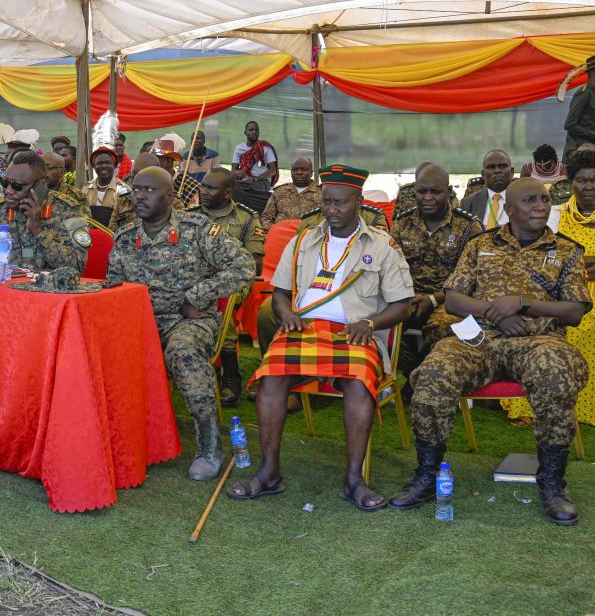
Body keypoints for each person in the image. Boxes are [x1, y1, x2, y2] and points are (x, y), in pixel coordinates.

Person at [392, 178, 591, 525]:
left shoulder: (566, 250)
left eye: (544, 199)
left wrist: (524, 304)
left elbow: (575, 310)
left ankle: (552, 483)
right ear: (509, 209)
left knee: (558, 371)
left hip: (537, 343)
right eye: (530, 200)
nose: (541, 206)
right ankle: (426, 477)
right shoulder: (480, 245)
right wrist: (494, 311)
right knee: (435, 372)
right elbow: (453, 299)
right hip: (479, 341)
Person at [230, 165, 412, 508]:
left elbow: (403, 304)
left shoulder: (383, 245)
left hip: (355, 332)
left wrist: (371, 324)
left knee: (359, 379)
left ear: (359, 201)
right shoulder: (303, 240)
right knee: (271, 375)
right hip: (305, 329)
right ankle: (269, 473)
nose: (332, 210)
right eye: (327, 202)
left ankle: (354, 480)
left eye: (340, 203)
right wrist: (287, 316)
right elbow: (280, 292)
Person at [107, 167, 255, 480]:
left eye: (150, 190)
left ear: (171, 197)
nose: (140, 196)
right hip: (140, 323)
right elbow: (114, 288)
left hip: (188, 322)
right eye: (136, 189)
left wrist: (196, 296)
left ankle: (209, 444)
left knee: (183, 351)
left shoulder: (197, 229)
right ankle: (116, 437)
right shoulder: (125, 237)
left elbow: (244, 266)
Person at [503, 150, 595, 429]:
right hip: (556, 289)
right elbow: (541, 258)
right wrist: (589, 261)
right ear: (571, 183)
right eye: (581, 180)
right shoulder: (555, 215)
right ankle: (537, 404)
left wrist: (571, 263)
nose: (588, 186)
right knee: (538, 323)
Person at [390, 164, 482, 383]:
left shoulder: (468, 226)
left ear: (448, 192)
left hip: (450, 300)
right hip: (408, 297)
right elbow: (390, 267)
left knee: (442, 327)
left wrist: (433, 299)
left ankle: (427, 379)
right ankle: (415, 373)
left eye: (435, 191)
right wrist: (405, 298)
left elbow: (472, 277)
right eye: (422, 192)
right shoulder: (402, 224)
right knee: (383, 325)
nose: (428, 197)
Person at [188, 167, 265, 405]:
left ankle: (230, 377)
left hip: (232, 283)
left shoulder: (246, 219)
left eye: (211, 188)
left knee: (221, 304)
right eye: (203, 186)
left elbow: (255, 264)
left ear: (228, 191)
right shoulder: (189, 216)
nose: (204, 192)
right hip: (194, 282)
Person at [0, 149, 91, 273]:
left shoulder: (68, 210)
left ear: (38, 186)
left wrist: (39, 231)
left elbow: (78, 264)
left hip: (48, 289)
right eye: (5, 182)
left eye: (17, 186)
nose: (8, 191)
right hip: (5, 288)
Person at [563, 54, 595, 155]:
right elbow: (569, 124)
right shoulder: (584, 93)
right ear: (593, 73)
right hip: (577, 153)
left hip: (589, 150)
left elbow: (586, 125)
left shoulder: (594, 93)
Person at [461, 149, 514, 228]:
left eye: (502, 166)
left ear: (512, 171)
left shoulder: (525, 200)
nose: (497, 171)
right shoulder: (468, 203)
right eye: (491, 167)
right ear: (483, 174)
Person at [260, 156, 320, 226]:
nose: (299, 172)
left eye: (304, 169)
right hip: (280, 234)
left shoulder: (321, 193)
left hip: (308, 235)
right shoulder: (280, 191)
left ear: (311, 173)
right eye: (295, 169)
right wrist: (273, 231)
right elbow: (266, 217)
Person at [152, 137, 200, 206]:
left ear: (169, 160)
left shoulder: (189, 185)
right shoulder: (150, 181)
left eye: (156, 159)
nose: (153, 163)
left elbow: (193, 213)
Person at [232, 121, 277, 191]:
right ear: (245, 133)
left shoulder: (265, 148)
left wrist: (255, 178)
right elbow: (233, 169)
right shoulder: (239, 148)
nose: (254, 132)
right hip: (244, 180)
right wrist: (237, 172)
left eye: (256, 130)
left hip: (262, 181)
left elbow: (273, 170)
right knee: (229, 186)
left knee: (252, 189)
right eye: (251, 130)